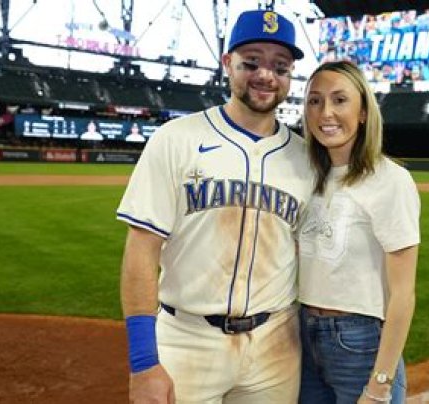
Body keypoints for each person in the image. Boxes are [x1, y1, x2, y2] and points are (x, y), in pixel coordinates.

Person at [115, 7, 314, 404]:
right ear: (227, 63)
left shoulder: (306, 158)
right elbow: (141, 250)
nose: (266, 75)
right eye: (251, 62)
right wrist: (143, 362)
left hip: (275, 345)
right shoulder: (176, 138)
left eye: (280, 66)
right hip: (186, 340)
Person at [298, 60, 421, 404]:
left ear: (364, 112)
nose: (326, 112)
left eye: (340, 100)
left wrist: (380, 384)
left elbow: (403, 294)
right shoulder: (305, 175)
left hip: (360, 342)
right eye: (315, 100)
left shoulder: (390, 180)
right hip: (302, 337)